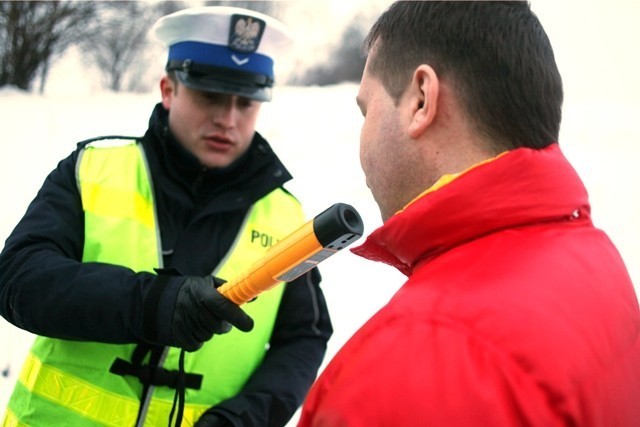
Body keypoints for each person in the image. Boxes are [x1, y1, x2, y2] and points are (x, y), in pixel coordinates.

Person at [299, 1, 640, 426]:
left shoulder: (409, 366)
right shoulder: (592, 257)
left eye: (367, 111)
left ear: (421, 99)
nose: (363, 136)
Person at [0, 6, 332, 427]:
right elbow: (18, 279)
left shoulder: (284, 215)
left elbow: (304, 337)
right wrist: (149, 304)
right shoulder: (90, 170)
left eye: (246, 102)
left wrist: (245, 419)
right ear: (168, 89)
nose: (227, 119)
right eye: (209, 95)